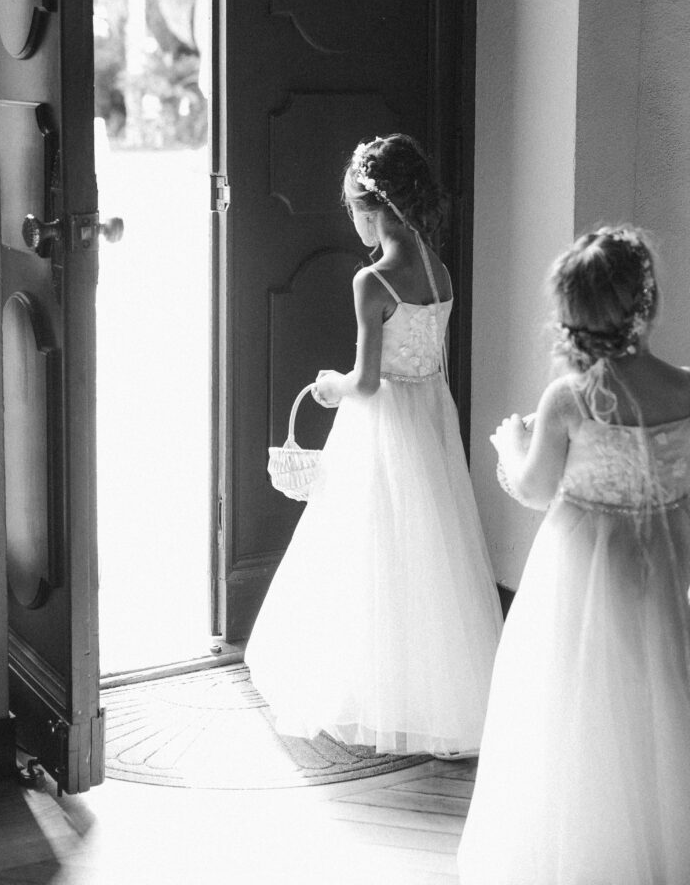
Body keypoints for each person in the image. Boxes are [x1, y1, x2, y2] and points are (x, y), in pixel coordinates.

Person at [245, 134, 503, 757]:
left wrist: (329, 385)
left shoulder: (372, 281)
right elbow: (427, 355)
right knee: (427, 548)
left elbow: (364, 379)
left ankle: (366, 683)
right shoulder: (438, 269)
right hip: (431, 417)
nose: (352, 222)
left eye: (352, 210)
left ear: (372, 207)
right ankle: (431, 686)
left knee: (365, 546)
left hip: (383, 421)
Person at [458, 226, 690, 884]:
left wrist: (511, 444)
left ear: (572, 316)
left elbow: (535, 488)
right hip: (664, 566)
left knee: (577, 710)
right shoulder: (686, 388)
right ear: (647, 302)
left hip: (583, 572)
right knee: (658, 703)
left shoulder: (573, 397)